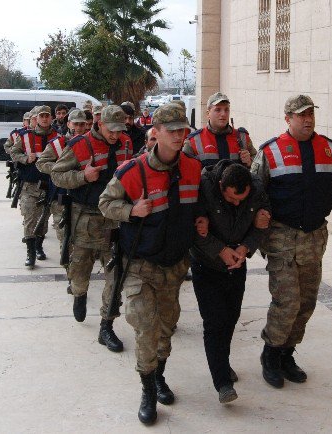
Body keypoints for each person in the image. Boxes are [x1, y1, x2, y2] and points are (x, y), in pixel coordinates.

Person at [99, 103, 204, 425]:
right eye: (171, 130)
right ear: (155, 133)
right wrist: (132, 212)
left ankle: (158, 374)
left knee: (166, 327)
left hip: (174, 265)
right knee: (145, 326)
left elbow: (200, 202)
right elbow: (105, 203)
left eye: (182, 130)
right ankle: (147, 389)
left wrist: (201, 219)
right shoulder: (133, 171)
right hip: (139, 264)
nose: (178, 135)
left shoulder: (193, 167)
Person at [251, 94, 332, 388]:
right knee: (287, 301)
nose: (308, 119)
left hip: (314, 239)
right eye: (301, 115)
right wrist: (252, 236)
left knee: (306, 303)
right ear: (288, 119)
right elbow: (254, 197)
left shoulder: (329, 150)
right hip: (281, 238)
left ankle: (287, 353)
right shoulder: (270, 153)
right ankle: (270, 354)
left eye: (311, 113)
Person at [51, 105, 133, 353]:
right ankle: (79, 293)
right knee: (79, 269)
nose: (115, 135)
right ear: (99, 124)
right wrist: (82, 177)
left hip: (115, 219)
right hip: (85, 218)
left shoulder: (126, 144)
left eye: (120, 130)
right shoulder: (79, 145)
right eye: (111, 129)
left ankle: (106, 326)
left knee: (116, 275)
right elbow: (57, 175)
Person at [191, 160, 270, 403]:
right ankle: (222, 382)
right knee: (214, 322)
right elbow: (192, 228)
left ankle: (222, 362)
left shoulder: (255, 188)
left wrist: (246, 248)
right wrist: (220, 250)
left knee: (230, 318)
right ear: (222, 185)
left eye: (241, 199)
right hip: (208, 264)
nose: (237, 203)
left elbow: (264, 223)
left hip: (238, 263)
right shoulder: (204, 186)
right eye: (232, 199)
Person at [36, 109, 89, 269]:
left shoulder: (90, 143)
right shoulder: (57, 144)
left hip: (83, 197)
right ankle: (70, 274)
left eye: (82, 124)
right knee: (65, 238)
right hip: (60, 197)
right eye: (76, 124)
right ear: (68, 124)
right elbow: (41, 163)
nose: (79, 128)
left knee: (81, 240)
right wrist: (61, 168)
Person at [9, 106, 60, 268]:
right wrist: (25, 158)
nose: (45, 119)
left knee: (43, 221)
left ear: (51, 118)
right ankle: (30, 253)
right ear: (36, 119)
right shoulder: (24, 137)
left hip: (50, 186)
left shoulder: (59, 137)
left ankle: (38, 247)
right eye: (41, 116)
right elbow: (13, 152)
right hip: (30, 187)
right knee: (30, 219)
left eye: (47, 116)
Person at [183, 92, 257, 168]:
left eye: (226, 110)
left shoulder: (242, 137)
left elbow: (259, 165)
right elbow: (185, 170)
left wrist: (250, 161)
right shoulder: (193, 141)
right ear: (208, 114)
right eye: (218, 110)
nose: (223, 114)